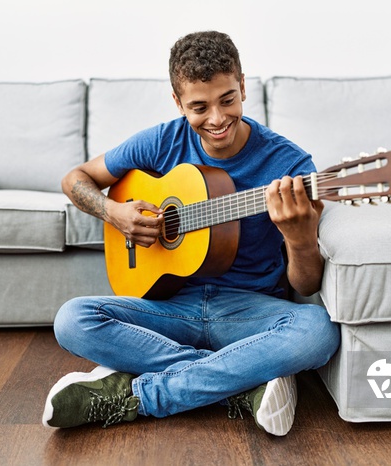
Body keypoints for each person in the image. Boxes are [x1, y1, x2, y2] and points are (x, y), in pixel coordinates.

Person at [42, 30, 340, 436]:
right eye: (199, 106)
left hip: (250, 311)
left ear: (243, 87)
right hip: (170, 308)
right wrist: (114, 212)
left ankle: (141, 396)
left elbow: (305, 283)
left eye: (228, 100)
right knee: (71, 319)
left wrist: (300, 238)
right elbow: (75, 178)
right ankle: (241, 380)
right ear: (178, 102)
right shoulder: (162, 141)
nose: (217, 119)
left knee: (317, 333)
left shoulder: (289, 164)